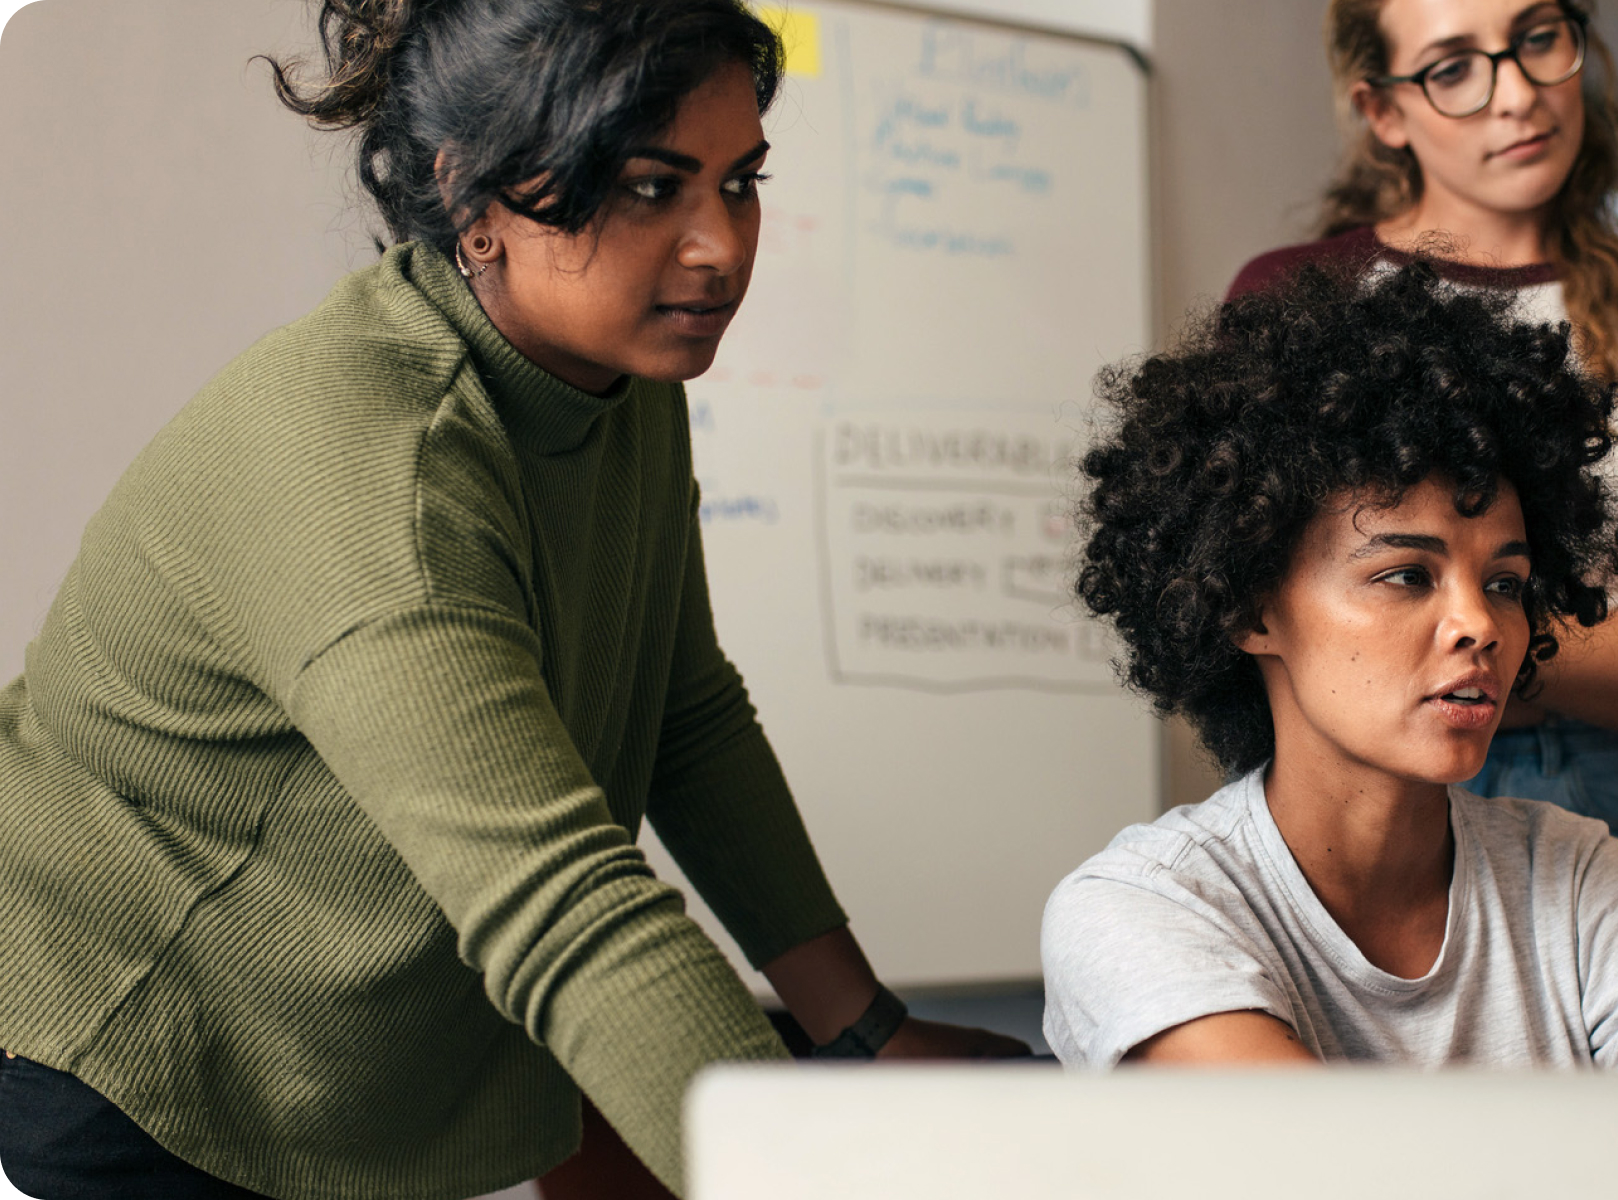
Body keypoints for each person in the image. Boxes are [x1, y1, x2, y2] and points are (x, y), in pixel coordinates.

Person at [0, 3, 1018, 1199]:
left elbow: (683, 713)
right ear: (472, 199)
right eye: (650, 188)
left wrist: (867, 1032)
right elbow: (561, 901)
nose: (719, 247)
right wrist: (809, 1175)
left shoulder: (613, 379)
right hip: (129, 1055)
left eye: (739, 182)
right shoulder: (380, 465)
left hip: (334, 1071)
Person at [1042, 260, 1618, 1071]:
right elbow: (1350, 1169)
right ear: (1248, 608)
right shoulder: (1140, 905)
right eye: (1406, 576)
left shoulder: (1573, 866)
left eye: (1505, 584)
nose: (1480, 625)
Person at [1226, 0, 1618, 885]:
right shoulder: (1298, 296)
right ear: (1383, 111)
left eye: (1537, 39)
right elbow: (1250, 621)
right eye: (1452, 68)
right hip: (1338, 810)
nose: (1517, 94)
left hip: (1590, 804)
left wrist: (1405, 644)